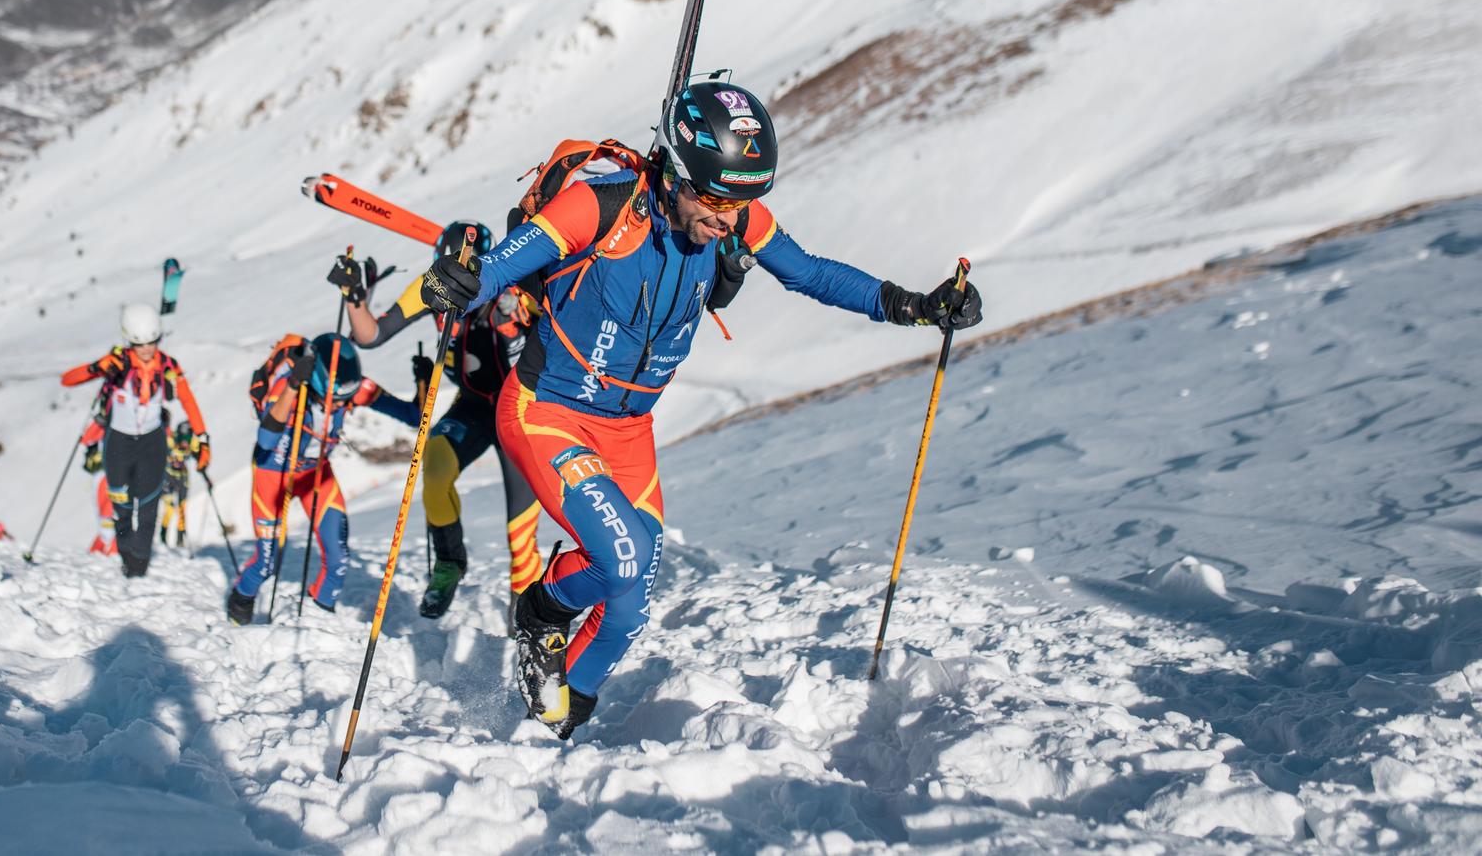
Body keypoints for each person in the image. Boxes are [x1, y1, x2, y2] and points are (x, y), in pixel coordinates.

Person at [397, 79, 982, 739]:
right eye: (710, 196)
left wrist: (915, 305)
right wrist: (459, 282)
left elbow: (811, 272)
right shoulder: (599, 209)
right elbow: (502, 266)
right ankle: (540, 610)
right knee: (621, 558)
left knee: (629, 607)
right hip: (547, 412)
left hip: (628, 431)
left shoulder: (732, 219)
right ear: (673, 170)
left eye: (741, 200)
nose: (725, 217)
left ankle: (556, 724)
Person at [328, 223, 542, 619]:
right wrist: (354, 296)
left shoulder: (511, 289)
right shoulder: (435, 284)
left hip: (519, 410)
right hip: (474, 404)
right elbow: (371, 335)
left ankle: (524, 599)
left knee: (519, 526)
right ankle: (448, 563)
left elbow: (551, 329)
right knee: (436, 466)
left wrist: (520, 316)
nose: (459, 280)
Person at [226, 333, 420, 625]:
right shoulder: (291, 387)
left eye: (345, 400)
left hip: (315, 473)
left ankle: (318, 621)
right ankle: (239, 605)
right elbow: (265, 439)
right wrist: (293, 387)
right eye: (335, 400)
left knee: (338, 557)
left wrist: (423, 382)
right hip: (274, 471)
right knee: (267, 563)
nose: (339, 406)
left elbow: (413, 415)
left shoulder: (353, 387)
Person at [59, 302, 212, 579]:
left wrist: (202, 437)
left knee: (150, 507)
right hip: (119, 443)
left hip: (152, 443)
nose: (147, 349)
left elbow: (187, 398)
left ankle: (139, 566)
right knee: (122, 508)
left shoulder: (167, 366)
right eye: (140, 344)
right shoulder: (117, 364)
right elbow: (67, 380)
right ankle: (126, 557)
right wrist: (97, 367)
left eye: (153, 342)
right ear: (128, 340)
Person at [158, 421, 203, 547]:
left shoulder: (192, 442)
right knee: (170, 508)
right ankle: (163, 537)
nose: (184, 444)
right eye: (183, 440)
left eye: (187, 440)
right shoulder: (171, 440)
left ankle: (180, 539)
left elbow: (198, 454)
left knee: (182, 508)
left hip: (183, 477)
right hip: (168, 475)